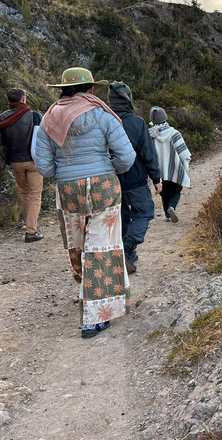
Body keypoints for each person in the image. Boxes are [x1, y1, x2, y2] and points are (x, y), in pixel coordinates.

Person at [34, 67, 135, 338]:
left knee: (78, 244)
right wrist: (107, 167)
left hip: (68, 189)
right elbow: (126, 156)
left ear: (62, 89)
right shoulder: (103, 114)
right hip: (103, 185)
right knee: (102, 246)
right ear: (90, 88)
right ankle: (93, 317)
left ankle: (85, 289)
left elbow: (43, 166)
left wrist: (66, 174)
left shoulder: (48, 119)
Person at [107, 81, 161, 273]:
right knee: (145, 212)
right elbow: (148, 153)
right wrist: (156, 178)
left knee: (121, 216)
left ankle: (126, 254)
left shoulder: (104, 120)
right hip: (135, 179)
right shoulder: (136, 122)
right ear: (129, 99)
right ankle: (128, 248)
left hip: (110, 181)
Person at [0, 89, 44, 242]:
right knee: (35, 195)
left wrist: (8, 160)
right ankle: (31, 231)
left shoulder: (1, 118)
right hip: (34, 161)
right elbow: (44, 138)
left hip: (15, 161)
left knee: (25, 193)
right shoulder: (35, 116)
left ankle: (31, 226)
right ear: (23, 99)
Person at [148, 107, 191, 223]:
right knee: (176, 190)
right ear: (165, 118)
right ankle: (172, 207)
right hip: (174, 168)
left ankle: (167, 215)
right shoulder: (174, 133)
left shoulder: (150, 135)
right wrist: (185, 165)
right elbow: (183, 152)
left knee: (164, 192)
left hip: (158, 171)